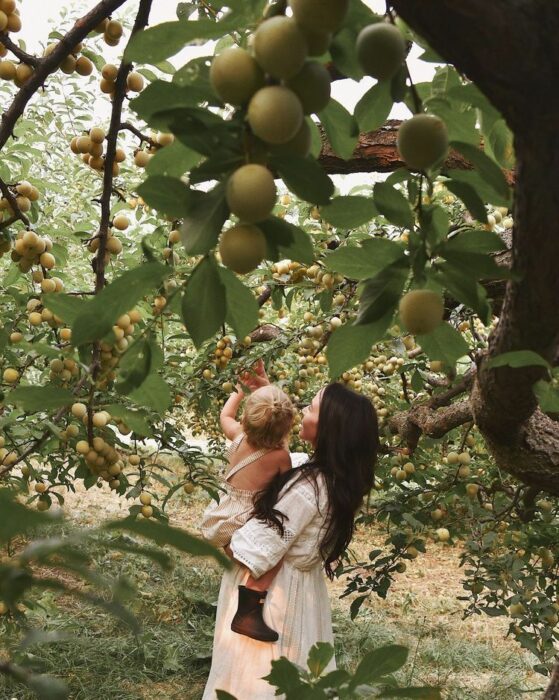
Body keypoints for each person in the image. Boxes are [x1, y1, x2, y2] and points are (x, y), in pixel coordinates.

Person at [202, 364, 379, 699]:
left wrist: (225, 540)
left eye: (310, 408)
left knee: (255, 680)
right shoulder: (329, 478)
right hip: (300, 590)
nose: (300, 412)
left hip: (269, 600)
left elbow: (257, 546)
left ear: (327, 428)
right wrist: (267, 396)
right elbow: (275, 459)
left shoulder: (306, 488)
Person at [201, 381, 295, 642]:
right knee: (275, 553)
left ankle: (231, 552)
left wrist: (239, 390)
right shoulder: (280, 457)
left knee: (240, 550)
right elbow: (283, 494)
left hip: (222, 514)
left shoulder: (238, 435)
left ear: (246, 417)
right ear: (288, 427)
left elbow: (225, 415)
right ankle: (250, 611)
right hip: (244, 519)